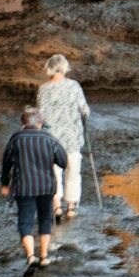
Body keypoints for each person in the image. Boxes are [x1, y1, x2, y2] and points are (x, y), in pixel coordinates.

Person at [0, 105, 69, 271]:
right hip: (46, 186)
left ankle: (31, 256)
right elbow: (63, 161)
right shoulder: (49, 138)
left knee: (25, 220)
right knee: (45, 219)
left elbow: (6, 163)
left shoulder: (16, 138)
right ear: (40, 123)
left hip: (23, 187)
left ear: (22, 123)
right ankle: (44, 257)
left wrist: (4, 183)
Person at [36, 53, 92, 220]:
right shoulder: (74, 86)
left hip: (51, 140)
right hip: (72, 138)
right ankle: (72, 208)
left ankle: (57, 207)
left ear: (50, 68)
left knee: (53, 173)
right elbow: (84, 110)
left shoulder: (43, 89)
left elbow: (41, 115)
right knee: (73, 173)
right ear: (64, 67)